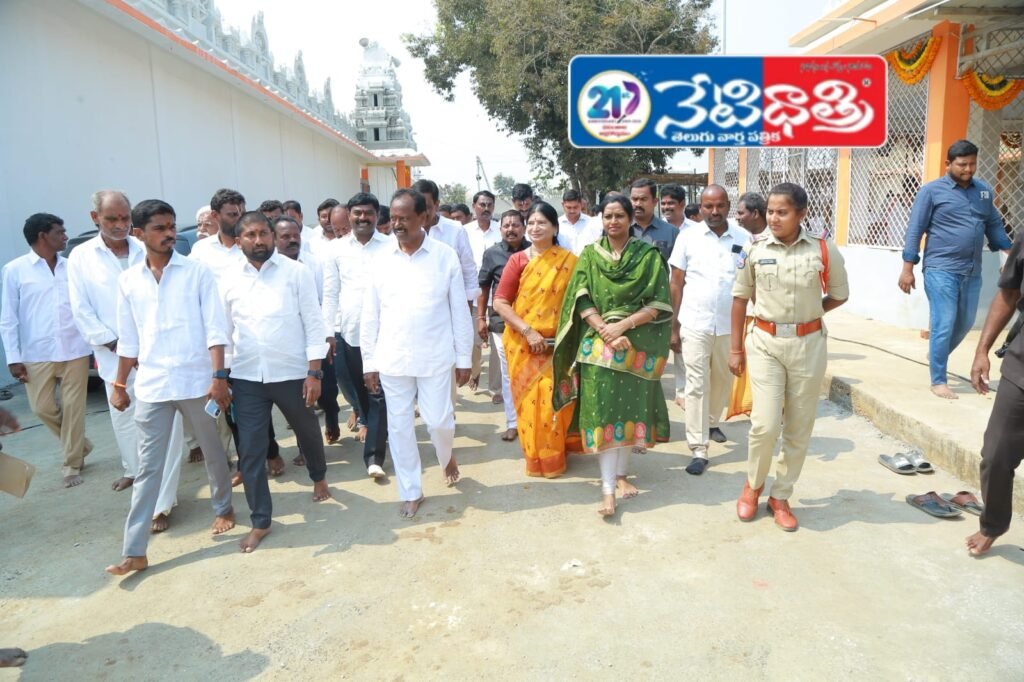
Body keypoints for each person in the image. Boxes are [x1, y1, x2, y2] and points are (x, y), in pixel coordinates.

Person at [106, 199, 235, 576]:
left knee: (213, 452)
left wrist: (218, 378)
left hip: (196, 381)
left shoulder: (195, 272)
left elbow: (215, 329)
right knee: (148, 467)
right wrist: (119, 384)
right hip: (152, 386)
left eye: (171, 226)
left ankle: (223, 507)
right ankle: (135, 550)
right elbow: (128, 340)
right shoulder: (128, 281)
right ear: (139, 233)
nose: (169, 234)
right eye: (160, 228)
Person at [730, 183, 849, 532]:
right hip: (765, 342)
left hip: (809, 345)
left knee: (798, 427)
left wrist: (810, 316)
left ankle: (780, 496)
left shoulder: (824, 249)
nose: (774, 217)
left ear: (801, 213)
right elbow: (739, 299)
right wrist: (735, 349)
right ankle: (752, 487)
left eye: (782, 212)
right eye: (770, 211)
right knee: (764, 425)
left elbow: (839, 295)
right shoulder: (753, 249)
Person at [67, 191, 187, 527]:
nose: (120, 225)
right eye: (111, 220)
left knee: (168, 430)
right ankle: (137, 476)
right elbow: (81, 309)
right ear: (95, 219)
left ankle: (161, 505)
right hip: (114, 359)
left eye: (125, 218)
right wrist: (121, 346)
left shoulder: (145, 246)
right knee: (128, 427)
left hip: (159, 357)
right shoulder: (80, 257)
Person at [553, 194, 672, 517]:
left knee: (627, 415)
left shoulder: (647, 256)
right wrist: (605, 329)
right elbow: (580, 298)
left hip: (636, 344)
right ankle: (607, 491)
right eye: (608, 216)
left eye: (620, 215)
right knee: (603, 417)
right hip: (598, 347)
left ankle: (620, 476)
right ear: (601, 219)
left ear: (631, 218)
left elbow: (660, 302)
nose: (614, 222)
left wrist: (624, 327)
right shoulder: (590, 255)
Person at [223, 212, 331, 553]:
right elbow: (222, 332)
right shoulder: (227, 279)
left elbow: (314, 324)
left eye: (263, 234)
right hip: (246, 377)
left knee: (306, 429)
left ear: (272, 235)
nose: (258, 241)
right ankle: (261, 521)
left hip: (292, 373)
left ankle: (318, 477)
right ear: (238, 240)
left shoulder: (296, 273)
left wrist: (314, 372)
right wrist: (220, 377)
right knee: (251, 451)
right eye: (250, 235)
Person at [361, 189, 472, 518]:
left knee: (439, 422)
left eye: (404, 218)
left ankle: (445, 453)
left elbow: (459, 313)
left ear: (423, 217)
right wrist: (370, 363)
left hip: (436, 357)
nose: (397, 224)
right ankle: (411, 491)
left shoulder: (444, 256)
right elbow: (371, 316)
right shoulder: (380, 260)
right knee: (399, 428)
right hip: (393, 359)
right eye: (393, 218)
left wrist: (464, 359)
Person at [900, 139, 1012, 400]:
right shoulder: (931, 192)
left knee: (966, 322)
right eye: (962, 164)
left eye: (972, 164)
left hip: (972, 270)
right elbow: (915, 230)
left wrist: (1009, 254)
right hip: (940, 268)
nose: (968, 169)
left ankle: (937, 353)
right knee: (945, 321)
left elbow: (994, 225)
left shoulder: (983, 191)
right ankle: (938, 379)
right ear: (948, 164)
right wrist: (908, 268)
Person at [0, 213, 92, 488]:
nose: (65, 237)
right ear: (43, 236)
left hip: (75, 348)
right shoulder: (15, 270)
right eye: (60, 232)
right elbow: (8, 318)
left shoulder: (71, 267)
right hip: (36, 353)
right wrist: (13, 358)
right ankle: (80, 446)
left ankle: (71, 464)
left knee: (74, 409)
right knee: (42, 409)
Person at [493, 202, 579, 475]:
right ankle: (536, 457)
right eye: (530, 223)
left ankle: (556, 453)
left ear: (555, 227)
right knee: (532, 405)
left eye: (541, 222)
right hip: (523, 343)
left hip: (559, 344)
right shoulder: (518, 260)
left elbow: (579, 302)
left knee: (556, 400)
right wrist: (529, 331)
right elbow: (500, 302)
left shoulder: (570, 261)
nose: (534, 227)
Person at [670, 185, 750, 476]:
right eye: (708, 206)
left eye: (720, 206)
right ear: (700, 207)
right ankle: (698, 447)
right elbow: (676, 283)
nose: (714, 212)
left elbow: (750, 281)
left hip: (730, 324)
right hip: (695, 321)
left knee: (723, 381)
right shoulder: (687, 237)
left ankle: (712, 420)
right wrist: (674, 325)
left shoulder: (744, 239)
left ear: (728, 206)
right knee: (696, 383)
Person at [321, 193, 391, 478]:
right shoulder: (335, 250)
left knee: (379, 394)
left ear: (377, 216)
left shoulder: (390, 247)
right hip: (349, 334)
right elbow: (330, 294)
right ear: (349, 215)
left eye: (369, 213)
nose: (363, 218)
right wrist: (329, 334)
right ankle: (378, 432)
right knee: (361, 394)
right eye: (357, 213)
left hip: (385, 333)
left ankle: (373, 456)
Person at [966, 227, 1024, 556]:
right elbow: (1008, 293)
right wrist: (981, 350)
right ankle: (993, 523)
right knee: (996, 455)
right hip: (1021, 367)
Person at [271, 215, 339, 464]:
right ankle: (305, 449)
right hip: (286, 347)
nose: (291, 240)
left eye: (295, 235)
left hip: (315, 340)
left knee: (327, 392)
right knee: (298, 402)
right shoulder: (269, 269)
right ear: (274, 239)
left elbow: (325, 300)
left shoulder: (313, 264)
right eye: (285, 236)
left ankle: (332, 418)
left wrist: (327, 335)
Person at [478, 210, 530, 442]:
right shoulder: (492, 254)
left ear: (524, 226)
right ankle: (512, 422)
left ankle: (531, 419)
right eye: (506, 225)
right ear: (500, 229)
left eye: (515, 225)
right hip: (502, 323)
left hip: (534, 322)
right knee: (509, 373)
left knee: (531, 372)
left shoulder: (535, 251)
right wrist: (481, 318)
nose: (511, 229)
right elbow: (485, 288)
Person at [466, 190, 501, 393]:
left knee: (497, 344)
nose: (486, 208)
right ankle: (475, 371)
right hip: (474, 294)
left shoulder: (500, 229)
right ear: (474, 206)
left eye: (489, 205)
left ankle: (495, 388)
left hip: (497, 295)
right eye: (482, 204)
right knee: (473, 341)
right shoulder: (465, 231)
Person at [630, 178, 679, 261]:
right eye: (634, 199)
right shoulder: (620, 229)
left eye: (643, 199)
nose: (638, 204)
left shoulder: (671, 232)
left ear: (655, 202)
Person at [559, 188, 602, 256]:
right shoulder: (557, 225)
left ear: (581, 204)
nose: (572, 211)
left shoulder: (592, 223)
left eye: (575, 207)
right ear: (562, 205)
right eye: (569, 207)